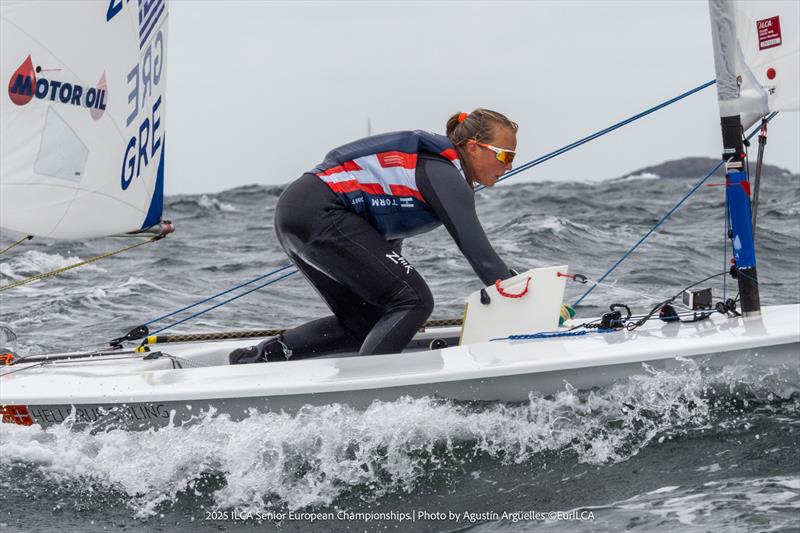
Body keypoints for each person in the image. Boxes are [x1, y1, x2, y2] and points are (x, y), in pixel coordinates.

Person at [229, 109, 518, 364]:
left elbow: (384, 230)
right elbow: (480, 255)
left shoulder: (437, 169)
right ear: (474, 147)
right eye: (505, 155)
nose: (509, 166)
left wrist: (396, 312)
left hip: (298, 212)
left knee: (367, 323)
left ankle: (255, 359)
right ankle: (368, 393)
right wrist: (522, 292)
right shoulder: (444, 174)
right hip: (319, 211)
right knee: (415, 300)